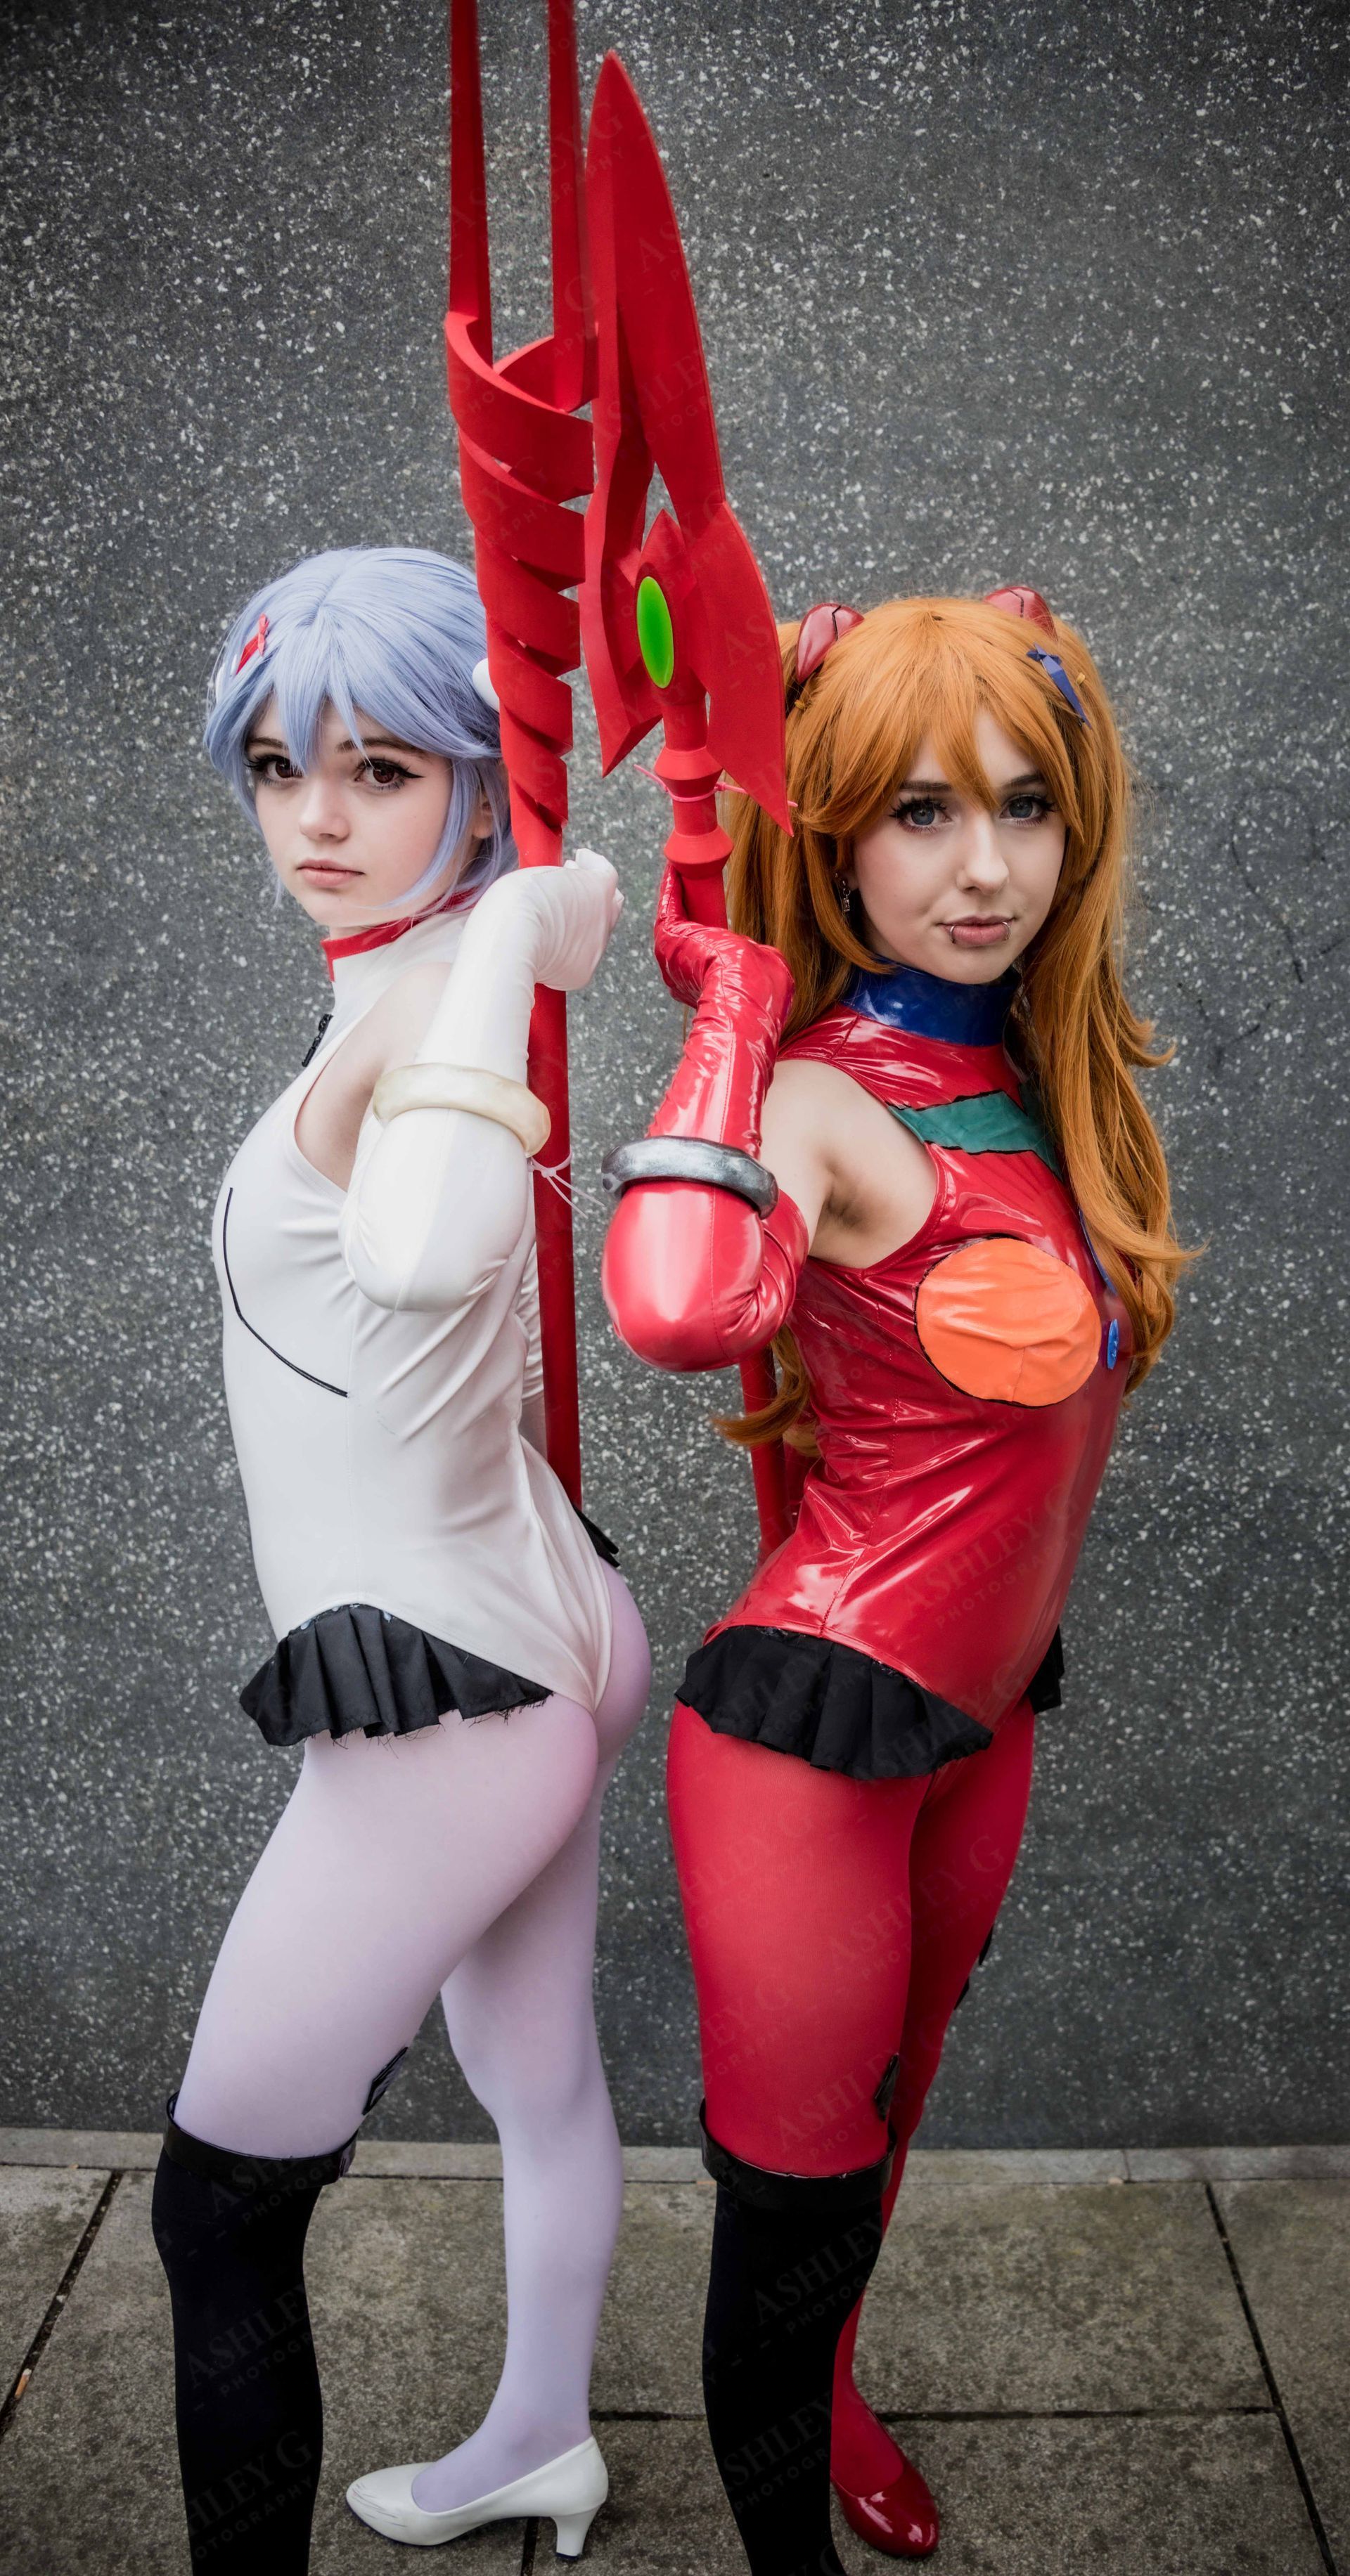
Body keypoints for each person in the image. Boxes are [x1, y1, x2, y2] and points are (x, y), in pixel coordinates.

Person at [600, 588, 1188, 2575]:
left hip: (985, 1718)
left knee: (893, 2119)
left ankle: (837, 2389)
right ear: (839, 833)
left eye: (1023, 804)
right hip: (813, 1753)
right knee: (795, 2202)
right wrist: (733, 1013)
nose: (985, 865)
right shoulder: (821, 1101)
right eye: (921, 812)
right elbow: (676, 1309)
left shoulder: (1046, 1075)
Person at [150, 545, 649, 2572]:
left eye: (379, 769)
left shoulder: (438, 992)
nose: (317, 820)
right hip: (540, 1621)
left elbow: (434, 1253)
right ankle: (543, 2438)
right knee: (535, 2076)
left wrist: (513, 924)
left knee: (216, 2205)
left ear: (475, 777)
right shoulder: (407, 985)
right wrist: (504, 936)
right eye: (281, 768)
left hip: (451, 1691)